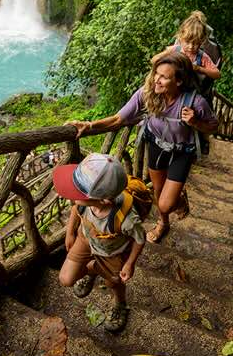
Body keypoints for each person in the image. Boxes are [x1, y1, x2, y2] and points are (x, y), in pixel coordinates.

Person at [68, 52, 218, 244]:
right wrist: (89, 125)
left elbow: (214, 126)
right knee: (158, 191)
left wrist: (196, 121)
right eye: (156, 73)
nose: (157, 79)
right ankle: (163, 224)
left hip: (182, 151)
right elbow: (118, 119)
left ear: (179, 81)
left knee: (165, 203)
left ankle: (177, 200)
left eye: (164, 77)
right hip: (156, 144)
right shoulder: (147, 94)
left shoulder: (195, 102)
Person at [53, 153, 146, 333]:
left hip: (112, 252)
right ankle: (96, 269)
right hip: (85, 239)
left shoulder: (126, 219)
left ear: (103, 200)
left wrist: (129, 264)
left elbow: (140, 239)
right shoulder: (86, 202)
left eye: (76, 191)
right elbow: (77, 207)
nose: (71, 195)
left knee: (114, 282)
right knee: (66, 279)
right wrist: (70, 232)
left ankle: (120, 303)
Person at [151, 10, 220, 95]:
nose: (191, 46)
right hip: (172, 90)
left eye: (196, 43)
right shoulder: (174, 50)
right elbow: (154, 60)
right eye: (187, 42)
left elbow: (217, 74)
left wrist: (199, 69)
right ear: (180, 38)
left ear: (201, 41)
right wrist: (167, 58)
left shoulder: (202, 57)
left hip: (191, 94)